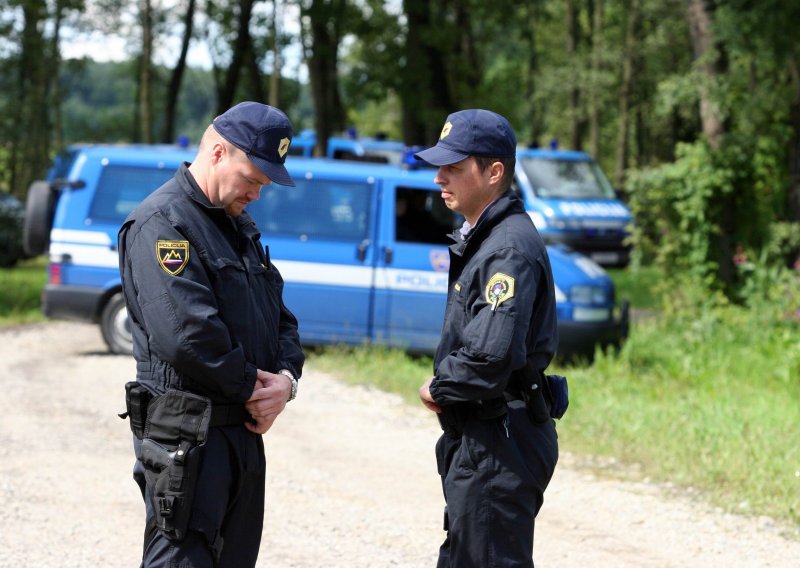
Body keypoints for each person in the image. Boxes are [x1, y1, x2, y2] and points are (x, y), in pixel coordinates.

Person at [118, 101, 304, 567]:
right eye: (253, 180)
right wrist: (254, 388)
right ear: (218, 153)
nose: (257, 195)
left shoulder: (237, 227)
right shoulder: (164, 224)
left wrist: (285, 381)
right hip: (188, 439)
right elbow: (187, 336)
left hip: (239, 435)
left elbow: (281, 319)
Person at [415, 109, 560, 567]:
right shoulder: (486, 237)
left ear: (494, 172)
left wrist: (439, 387)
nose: (440, 176)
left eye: (454, 167)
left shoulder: (508, 248)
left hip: (500, 439)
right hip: (485, 435)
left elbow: (490, 356)